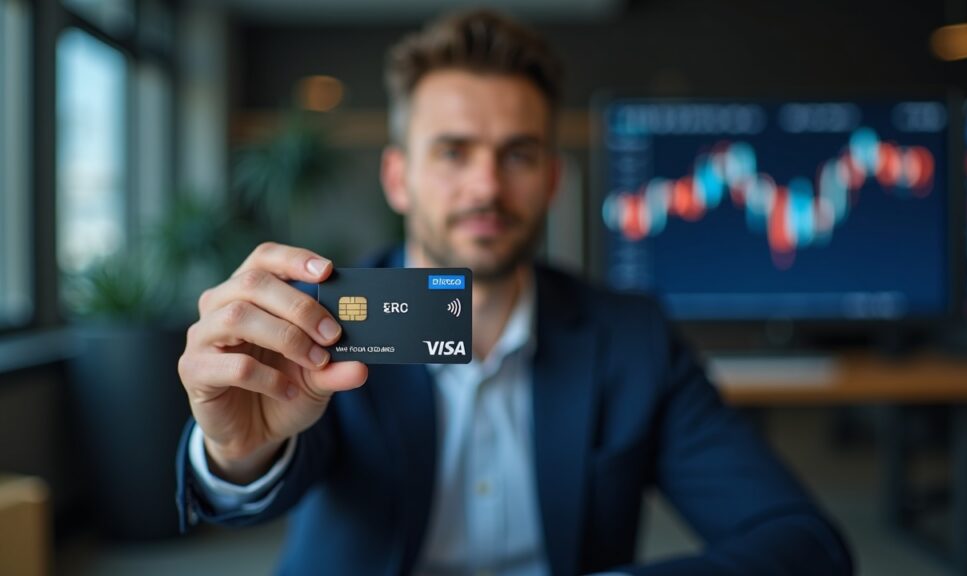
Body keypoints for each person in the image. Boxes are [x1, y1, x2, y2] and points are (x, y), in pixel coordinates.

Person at [175, 9, 853, 576]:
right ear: (397, 177)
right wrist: (239, 453)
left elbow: (803, 544)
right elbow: (253, 492)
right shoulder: (326, 320)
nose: (487, 188)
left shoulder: (632, 341)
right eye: (452, 152)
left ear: (553, 180)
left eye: (518, 154)